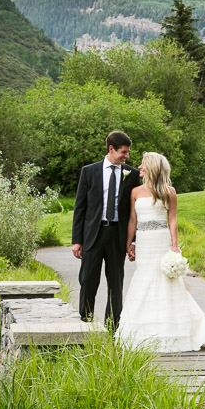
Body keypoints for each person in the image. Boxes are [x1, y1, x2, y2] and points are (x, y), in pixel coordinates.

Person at [116, 152, 205, 353]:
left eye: (143, 164)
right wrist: (130, 244)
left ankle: (171, 331)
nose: (140, 167)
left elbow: (172, 220)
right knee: (143, 280)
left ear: (153, 167)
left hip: (161, 241)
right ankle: (142, 331)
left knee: (166, 282)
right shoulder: (135, 192)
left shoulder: (168, 192)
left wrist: (174, 245)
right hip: (144, 242)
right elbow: (132, 221)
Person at [71, 131, 142, 328]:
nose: (126, 156)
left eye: (127, 153)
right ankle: (85, 325)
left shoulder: (133, 174)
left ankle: (112, 329)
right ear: (111, 149)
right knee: (88, 281)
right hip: (93, 235)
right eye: (123, 152)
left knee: (116, 284)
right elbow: (80, 208)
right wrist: (77, 240)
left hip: (118, 236)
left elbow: (135, 213)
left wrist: (132, 241)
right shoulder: (89, 171)